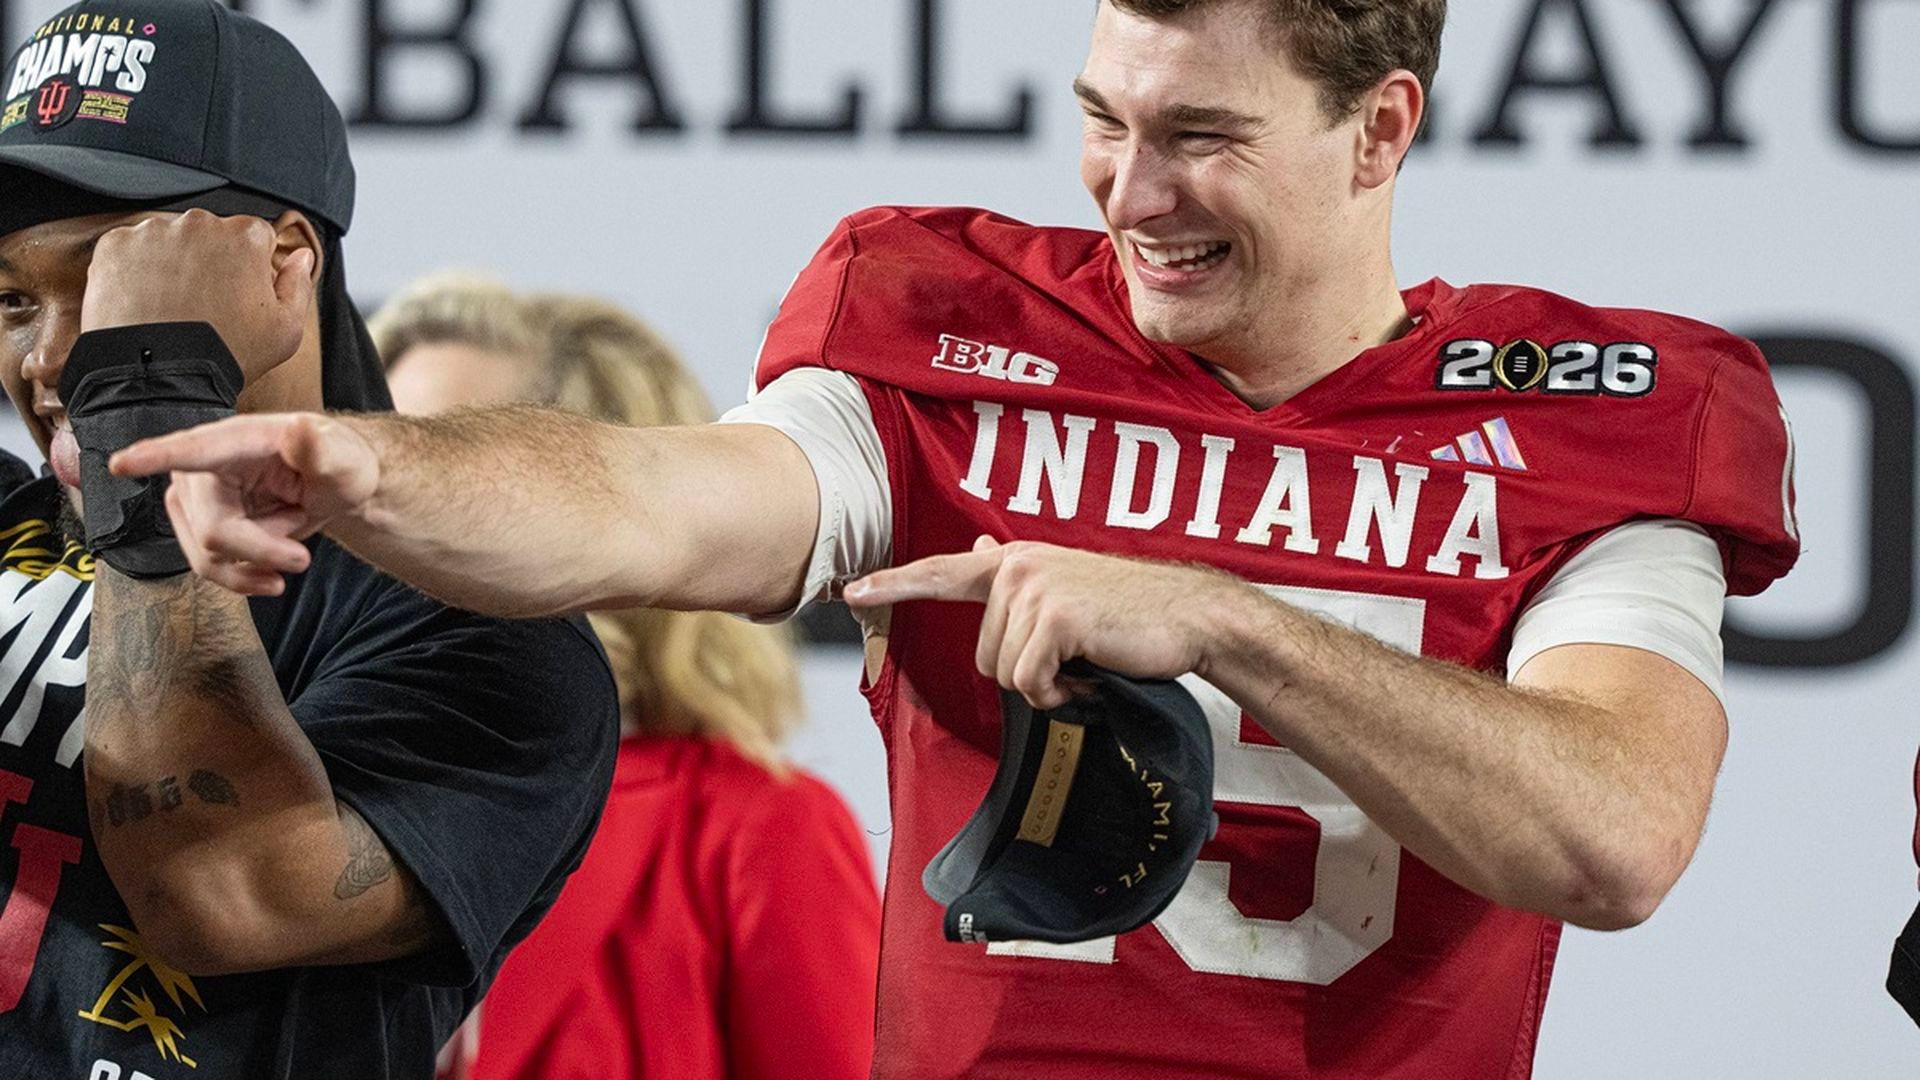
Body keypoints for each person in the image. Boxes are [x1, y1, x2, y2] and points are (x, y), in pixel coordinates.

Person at [117, 1, 1801, 1076]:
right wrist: (369, 466)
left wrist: (1225, 617)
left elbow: (1612, 840)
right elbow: (654, 500)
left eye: (1201, 136)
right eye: (1105, 117)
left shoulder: (1590, 409)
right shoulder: (947, 326)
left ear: (1381, 131)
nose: (1129, 191)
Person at [0, 2, 619, 1078]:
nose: (49, 359)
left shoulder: (482, 631)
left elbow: (217, 894)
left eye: (108, 281)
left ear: (285, 261)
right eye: (10, 299)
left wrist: (148, 412)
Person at [370, 277, 881, 1080]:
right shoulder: (294, 816)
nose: (381, 505)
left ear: (618, 511)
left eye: (450, 466)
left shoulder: (758, 837)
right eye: (381, 451)